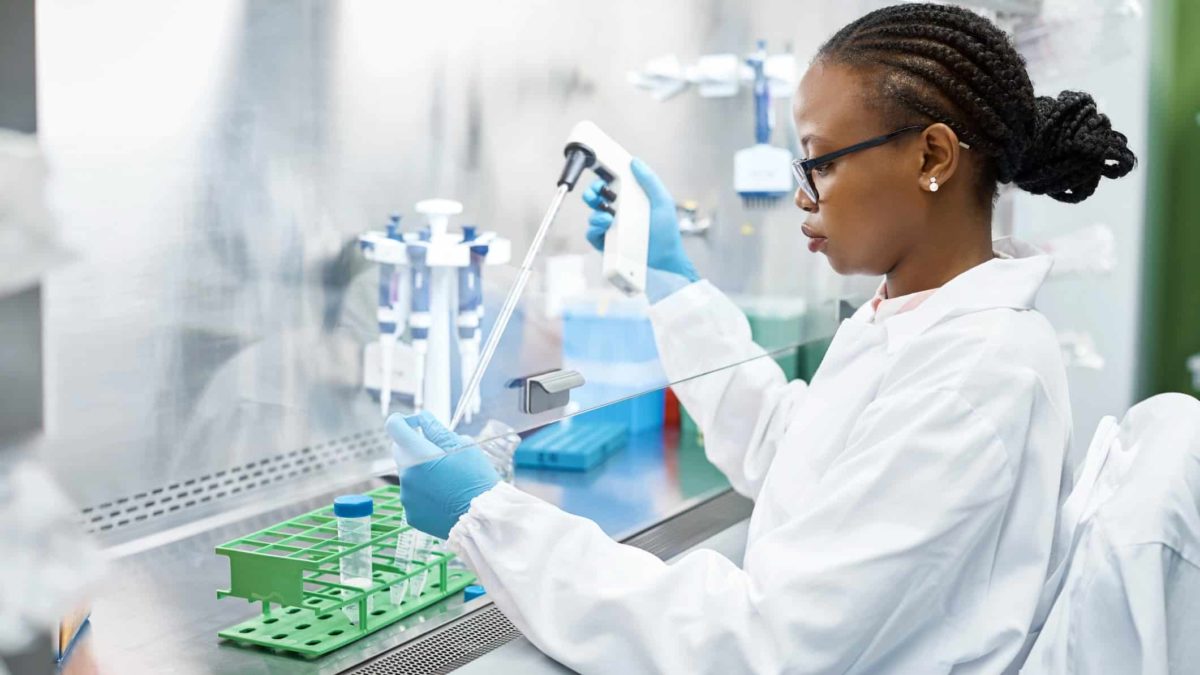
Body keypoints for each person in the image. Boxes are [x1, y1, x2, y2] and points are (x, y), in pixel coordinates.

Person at [387, 4, 1137, 673]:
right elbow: (796, 452)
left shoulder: (974, 373)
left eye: (824, 161)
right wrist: (673, 286)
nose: (803, 196)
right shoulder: (912, 319)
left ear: (932, 156)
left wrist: (487, 517)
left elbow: (763, 646)